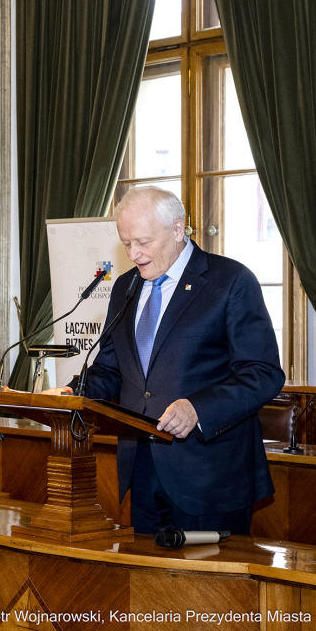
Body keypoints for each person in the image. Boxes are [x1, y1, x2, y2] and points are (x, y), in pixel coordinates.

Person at [49, 186, 284, 535]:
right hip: (141, 469)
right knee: (145, 586)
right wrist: (71, 394)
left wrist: (198, 410)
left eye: (143, 241)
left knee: (211, 588)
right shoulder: (125, 286)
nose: (134, 254)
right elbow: (111, 369)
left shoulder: (230, 281)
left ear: (178, 229)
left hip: (211, 476)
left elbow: (262, 373)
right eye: (126, 243)